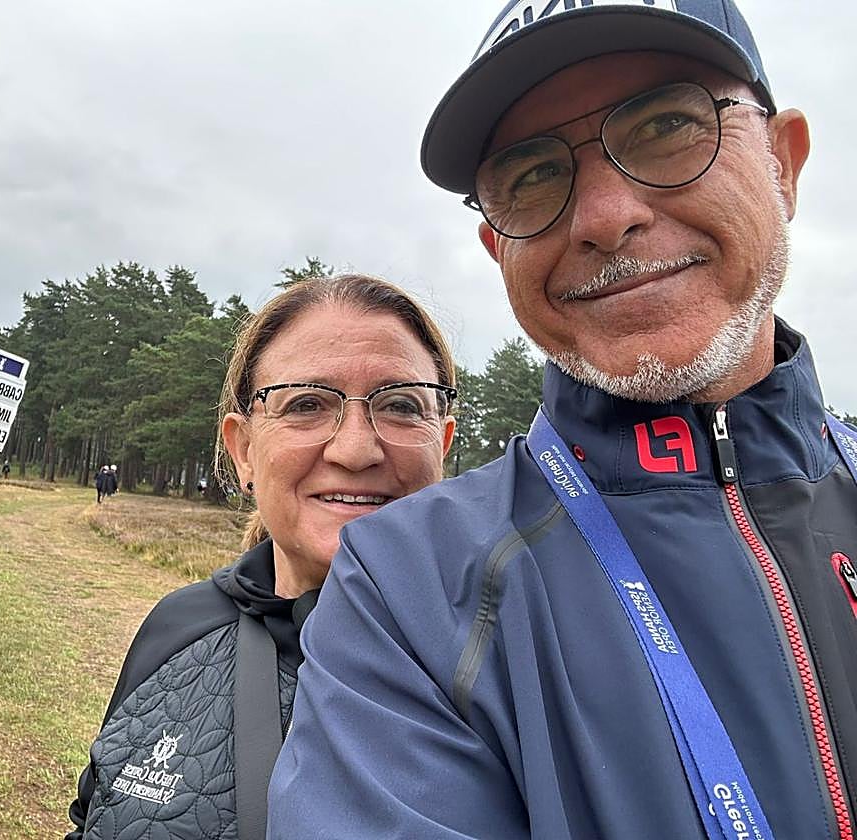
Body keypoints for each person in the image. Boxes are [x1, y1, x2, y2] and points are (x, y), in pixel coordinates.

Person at [267, 3, 857, 839]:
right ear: (496, 248)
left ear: (784, 164)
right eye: (534, 174)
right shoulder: (408, 586)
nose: (604, 216)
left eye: (665, 125)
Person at [65, 274, 457, 839]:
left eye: (399, 405)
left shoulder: (515, 659)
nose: (355, 449)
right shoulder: (177, 628)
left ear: (440, 444)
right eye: (306, 403)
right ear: (243, 450)